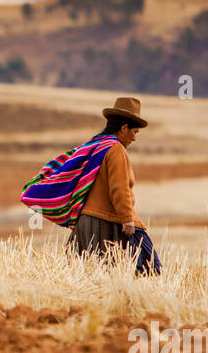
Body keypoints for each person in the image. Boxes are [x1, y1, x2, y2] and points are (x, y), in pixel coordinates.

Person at [68, 96, 161, 275]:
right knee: (146, 269)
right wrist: (127, 219)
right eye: (134, 132)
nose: (135, 138)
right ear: (124, 128)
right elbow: (119, 188)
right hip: (104, 221)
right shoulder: (116, 149)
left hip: (84, 222)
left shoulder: (96, 145)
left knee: (88, 276)